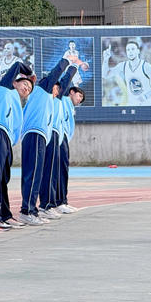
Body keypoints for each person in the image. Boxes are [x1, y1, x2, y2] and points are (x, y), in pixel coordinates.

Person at [0, 62, 34, 230]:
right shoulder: (4, 89)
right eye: (24, 84)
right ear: (14, 82)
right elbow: (17, 66)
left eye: (29, 89)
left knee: (3, 179)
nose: (27, 89)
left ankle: (5, 215)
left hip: (6, 140)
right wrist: (29, 72)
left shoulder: (17, 102)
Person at [18, 58, 69, 226]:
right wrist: (67, 60)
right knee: (32, 174)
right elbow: (56, 73)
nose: (58, 91)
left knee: (36, 174)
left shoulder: (47, 99)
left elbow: (61, 83)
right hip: (34, 135)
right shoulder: (41, 90)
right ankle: (27, 211)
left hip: (39, 137)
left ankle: (32, 210)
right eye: (56, 87)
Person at [38, 66, 77, 221]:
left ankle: (57, 202)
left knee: (56, 172)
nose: (58, 91)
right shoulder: (46, 97)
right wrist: (72, 66)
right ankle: (46, 205)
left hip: (58, 134)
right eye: (55, 88)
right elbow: (65, 81)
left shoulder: (58, 100)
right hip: (50, 133)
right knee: (49, 172)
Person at [55, 84, 84, 214]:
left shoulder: (71, 107)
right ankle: (58, 202)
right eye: (79, 96)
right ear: (71, 92)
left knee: (64, 171)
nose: (80, 100)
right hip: (60, 137)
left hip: (65, 138)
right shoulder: (63, 100)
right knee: (60, 171)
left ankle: (63, 201)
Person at [102, 39, 151, 106]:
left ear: (138, 51)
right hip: (133, 104)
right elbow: (105, 75)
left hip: (148, 104)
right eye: (128, 50)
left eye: (133, 49)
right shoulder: (123, 65)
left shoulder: (146, 66)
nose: (130, 52)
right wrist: (106, 59)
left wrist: (146, 96)